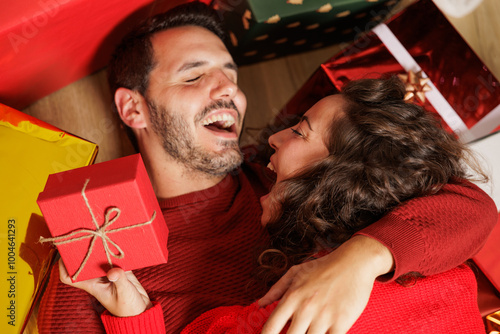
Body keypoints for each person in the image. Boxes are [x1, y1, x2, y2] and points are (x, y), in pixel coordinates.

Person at [36, 3, 497, 334]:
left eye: (231, 76)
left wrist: (359, 260)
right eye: (194, 76)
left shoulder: (286, 176)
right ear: (133, 108)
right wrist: (134, 321)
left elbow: (469, 205)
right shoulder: (94, 251)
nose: (228, 91)